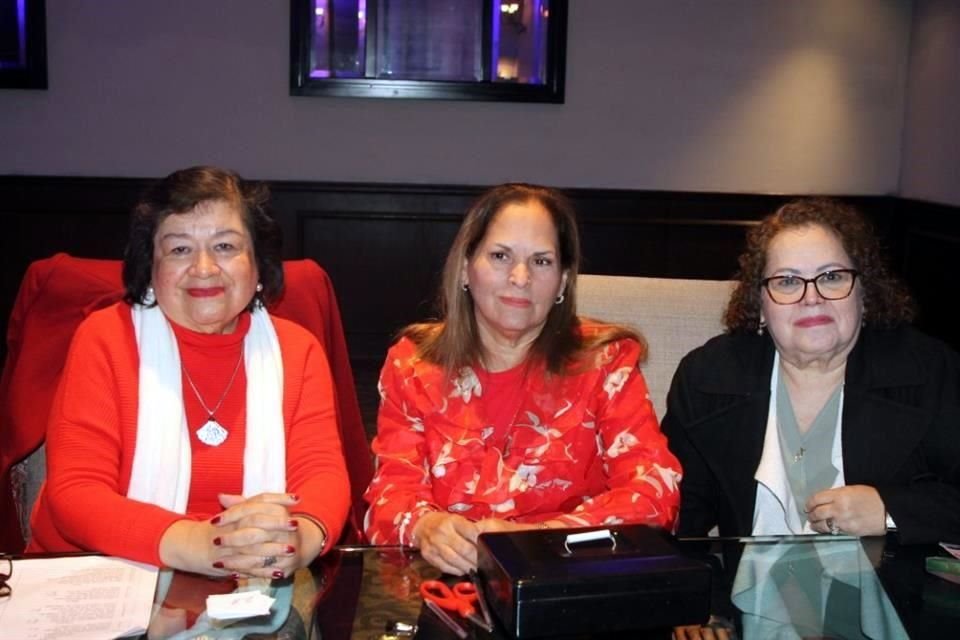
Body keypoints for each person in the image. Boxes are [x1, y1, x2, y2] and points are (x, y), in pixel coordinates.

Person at [27, 166, 350, 580]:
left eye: (225, 246)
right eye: (179, 249)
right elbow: (75, 494)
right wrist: (201, 545)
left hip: (256, 573)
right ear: (150, 267)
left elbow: (321, 474)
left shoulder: (297, 349)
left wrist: (298, 538)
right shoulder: (105, 338)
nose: (203, 268)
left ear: (258, 266)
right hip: (96, 573)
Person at [363, 183, 681, 575]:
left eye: (542, 261)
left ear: (564, 281)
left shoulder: (605, 361)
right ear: (465, 268)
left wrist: (534, 539)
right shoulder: (412, 363)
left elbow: (655, 493)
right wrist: (426, 527)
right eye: (500, 256)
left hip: (573, 584)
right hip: (451, 589)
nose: (520, 277)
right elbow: (390, 497)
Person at [662, 197, 960, 544]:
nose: (811, 297)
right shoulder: (706, 376)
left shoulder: (929, 370)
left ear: (864, 294)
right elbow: (678, 514)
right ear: (760, 305)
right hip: (743, 593)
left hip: (894, 591)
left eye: (831, 277)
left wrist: (889, 511)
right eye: (787, 281)